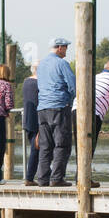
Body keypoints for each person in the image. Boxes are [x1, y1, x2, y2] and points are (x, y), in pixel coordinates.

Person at [36, 37, 76, 187]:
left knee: (45, 145)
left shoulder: (41, 65)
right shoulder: (62, 63)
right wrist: (71, 100)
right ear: (59, 48)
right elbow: (73, 85)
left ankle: (42, 178)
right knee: (62, 144)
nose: (66, 50)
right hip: (59, 106)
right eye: (65, 47)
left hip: (42, 108)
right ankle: (57, 178)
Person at [22, 61, 40, 185]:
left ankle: (42, 173)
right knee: (37, 148)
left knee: (36, 148)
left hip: (27, 119)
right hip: (37, 118)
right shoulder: (38, 83)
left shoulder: (26, 82)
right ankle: (29, 177)